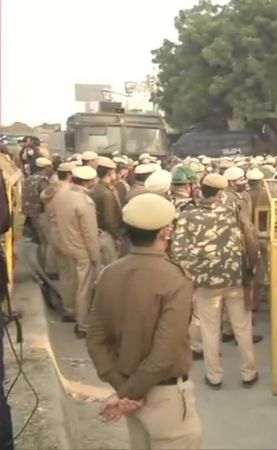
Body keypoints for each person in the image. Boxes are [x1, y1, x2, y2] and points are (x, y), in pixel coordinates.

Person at [86, 193, 202, 449]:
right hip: (165, 397)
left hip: (128, 385)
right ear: (165, 232)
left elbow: (95, 339)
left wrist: (122, 387)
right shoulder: (175, 279)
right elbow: (163, 353)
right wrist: (129, 393)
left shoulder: (109, 274)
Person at [170, 173, 259, 389]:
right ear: (220, 194)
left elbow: (178, 252)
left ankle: (214, 376)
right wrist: (251, 268)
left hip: (205, 284)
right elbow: (249, 237)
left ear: (201, 190)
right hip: (235, 279)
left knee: (210, 331)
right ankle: (249, 372)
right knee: (242, 328)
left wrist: (193, 276)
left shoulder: (186, 217)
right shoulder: (233, 212)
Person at [51, 166, 102, 338]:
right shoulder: (85, 202)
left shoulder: (63, 194)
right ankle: (83, 324)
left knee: (67, 278)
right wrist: (96, 258)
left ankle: (69, 309)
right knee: (84, 286)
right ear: (88, 182)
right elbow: (90, 234)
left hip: (62, 242)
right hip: (80, 248)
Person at [90, 157, 123, 266]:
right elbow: (109, 219)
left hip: (97, 232)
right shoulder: (106, 193)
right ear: (110, 173)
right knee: (110, 265)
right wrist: (116, 236)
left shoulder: (95, 188)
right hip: (107, 234)